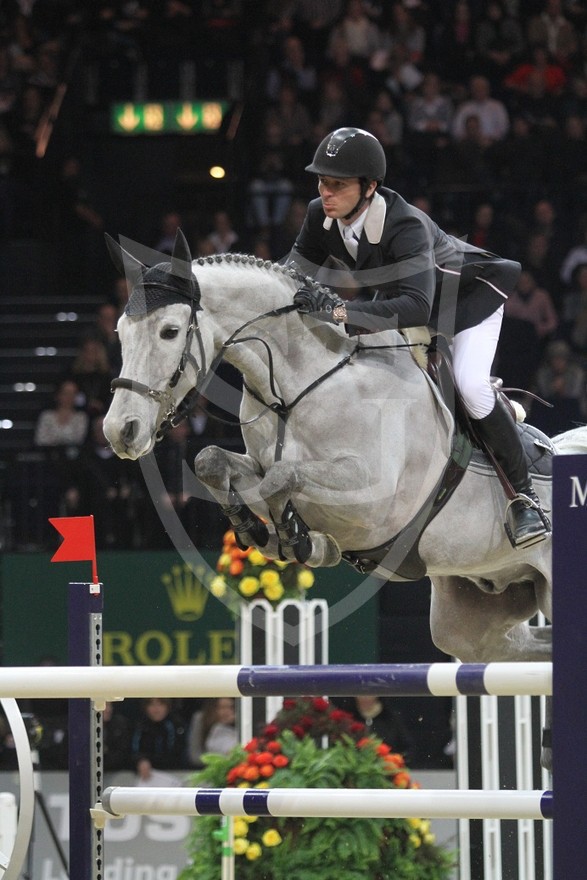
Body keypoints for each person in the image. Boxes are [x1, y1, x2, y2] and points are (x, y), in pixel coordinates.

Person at [289, 126, 550, 548]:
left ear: (370, 187)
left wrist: (337, 311)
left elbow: (415, 308)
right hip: (408, 301)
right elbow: (292, 272)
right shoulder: (321, 214)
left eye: (337, 184)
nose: (326, 192)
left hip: (468, 300)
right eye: (321, 181)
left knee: (469, 386)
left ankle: (525, 498)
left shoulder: (405, 224)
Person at [186, 697, 238, 768]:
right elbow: (194, 755)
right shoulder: (200, 719)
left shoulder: (239, 722)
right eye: (221, 707)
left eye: (230, 707)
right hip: (204, 769)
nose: (226, 712)